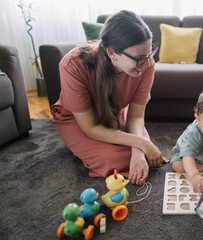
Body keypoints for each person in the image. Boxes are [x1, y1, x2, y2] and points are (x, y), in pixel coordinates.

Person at [51, 10, 164, 185]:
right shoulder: (72, 65)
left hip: (116, 113)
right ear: (112, 53)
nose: (146, 62)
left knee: (142, 154)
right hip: (79, 121)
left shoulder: (147, 64)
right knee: (118, 158)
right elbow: (90, 128)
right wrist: (142, 143)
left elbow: (136, 115)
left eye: (149, 53)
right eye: (139, 58)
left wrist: (138, 149)